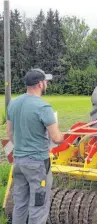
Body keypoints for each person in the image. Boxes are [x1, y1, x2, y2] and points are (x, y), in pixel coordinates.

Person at [6, 68, 64, 224]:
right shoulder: (43, 107)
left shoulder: (13, 104)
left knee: (20, 204)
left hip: (18, 162)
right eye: (46, 82)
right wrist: (64, 136)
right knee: (38, 206)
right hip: (37, 165)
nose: (46, 84)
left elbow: (9, 133)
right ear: (40, 84)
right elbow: (56, 138)